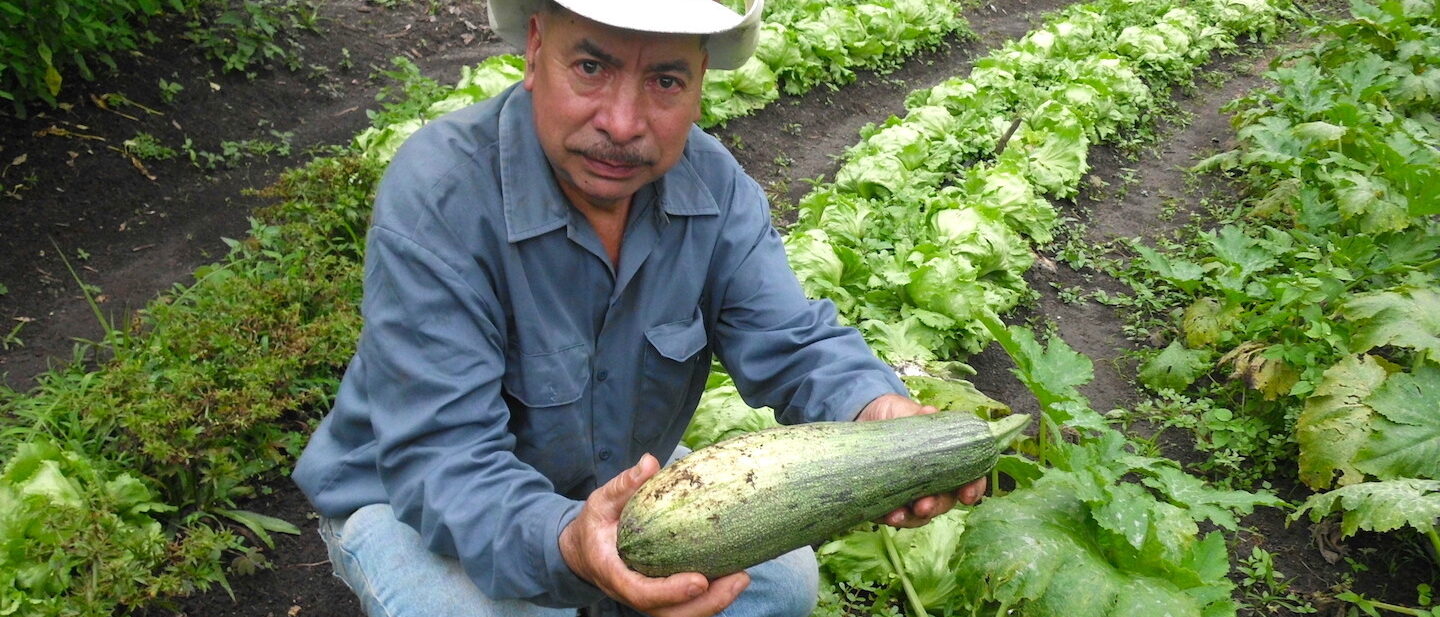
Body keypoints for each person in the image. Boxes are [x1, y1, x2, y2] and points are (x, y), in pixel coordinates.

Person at [292, 0, 985, 615]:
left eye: (665, 81)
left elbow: (792, 341)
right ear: (535, 50)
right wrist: (572, 543)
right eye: (591, 67)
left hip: (605, 472)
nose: (622, 124)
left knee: (779, 585)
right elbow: (446, 462)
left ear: (700, 83)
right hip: (414, 498)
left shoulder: (715, 189)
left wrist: (874, 410)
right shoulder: (440, 196)